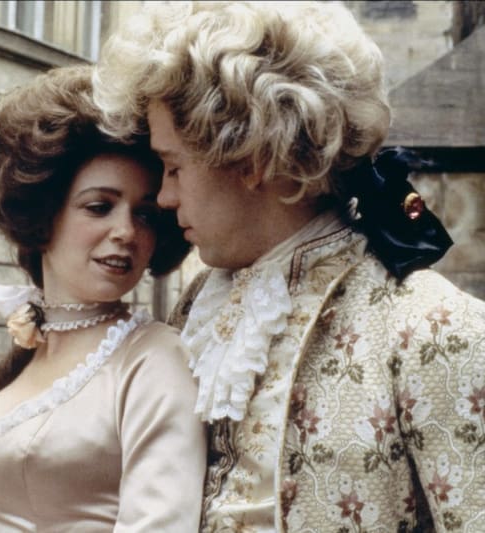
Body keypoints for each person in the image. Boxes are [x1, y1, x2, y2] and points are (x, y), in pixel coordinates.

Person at [93, 1, 485, 531]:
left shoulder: (434, 329)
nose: (164, 197)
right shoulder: (200, 306)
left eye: (174, 167)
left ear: (250, 157)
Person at [0, 65, 206, 532]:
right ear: (43, 216)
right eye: (99, 207)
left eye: (145, 215)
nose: (126, 231)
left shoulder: (155, 360)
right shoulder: (29, 354)